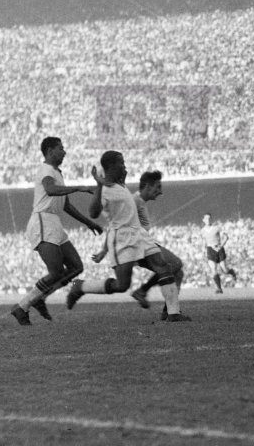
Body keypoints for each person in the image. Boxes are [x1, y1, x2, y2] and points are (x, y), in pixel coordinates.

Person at [65, 151, 190, 322]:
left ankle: (174, 314)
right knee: (122, 285)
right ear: (110, 166)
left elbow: (121, 183)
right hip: (122, 238)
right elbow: (93, 213)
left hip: (139, 234)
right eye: (121, 163)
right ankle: (80, 286)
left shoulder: (119, 183)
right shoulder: (103, 189)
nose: (125, 166)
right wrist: (100, 185)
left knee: (165, 265)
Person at [10, 137, 102, 326]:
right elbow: (51, 190)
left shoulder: (56, 172)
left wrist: (88, 222)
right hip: (43, 220)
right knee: (56, 271)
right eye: (61, 148)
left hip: (53, 222)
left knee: (76, 267)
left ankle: (38, 299)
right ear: (50, 151)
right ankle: (22, 306)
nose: (64, 152)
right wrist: (78, 187)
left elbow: (66, 204)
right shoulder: (46, 171)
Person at [129, 170, 186, 319]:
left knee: (177, 272)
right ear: (147, 186)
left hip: (144, 244)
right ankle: (143, 290)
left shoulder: (140, 202)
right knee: (175, 263)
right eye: (157, 187)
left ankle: (169, 312)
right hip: (139, 245)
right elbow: (121, 221)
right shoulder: (134, 200)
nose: (160, 192)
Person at [201, 213, 237, 294]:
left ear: (212, 219)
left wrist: (221, 245)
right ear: (203, 220)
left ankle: (232, 272)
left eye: (209, 218)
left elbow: (226, 237)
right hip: (210, 250)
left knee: (224, 269)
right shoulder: (202, 231)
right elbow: (204, 241)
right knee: (213, 270)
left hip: (219, 249)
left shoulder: (216, 227)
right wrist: (203, 251)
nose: (208, 220)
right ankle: (219, 288)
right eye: (206, 218)